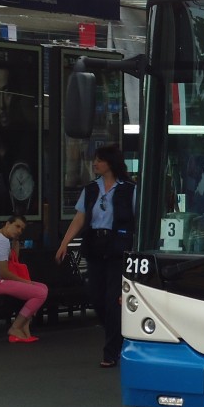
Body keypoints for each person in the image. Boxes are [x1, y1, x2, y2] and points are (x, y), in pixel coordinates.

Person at [55, 145, 136, 368]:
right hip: (95, 245)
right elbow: (80, 218)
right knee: (96, 297)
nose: (95, 164)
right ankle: (115, 334)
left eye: (99, 160)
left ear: (110, 163)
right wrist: (65, 243)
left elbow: (137, 218)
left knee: (113, 300)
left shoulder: (129, 189)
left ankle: (111, 351)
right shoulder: (91, 189)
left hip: (117, 247)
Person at [0, 215, 48, 343]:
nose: (19, 230)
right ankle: (16, 327)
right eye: (17, 226)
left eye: (22, 229)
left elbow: (13, 259)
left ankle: (24, 325)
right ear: (7, 224)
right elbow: (4, 273)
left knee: (43, 287)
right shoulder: (0, 241)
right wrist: (27, 282)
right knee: (40, 293)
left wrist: (16, 241)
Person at [0, 65, 37, 215]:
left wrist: (2, 151)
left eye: (7, 92)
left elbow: (21, 187)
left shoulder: (30, 135)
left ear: (18, 95)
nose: (2, 105)